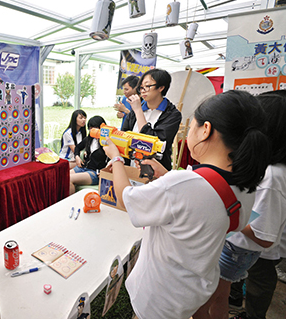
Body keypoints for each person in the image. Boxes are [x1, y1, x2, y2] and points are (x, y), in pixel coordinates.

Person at [103, 90, 270, 319]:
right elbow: (204, 205)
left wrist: (116, 158)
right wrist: (169, 178)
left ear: (206, 130)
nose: (189, 131)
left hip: (160, 298)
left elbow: (125, 197)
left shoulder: (181, 184)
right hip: (198, 289)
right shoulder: (245, 185)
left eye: (191, 126)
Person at [200, 90, 286, 319]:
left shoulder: (272, 176)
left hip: (240, 250)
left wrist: (229, 216)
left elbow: (265, 236)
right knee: (221, 296)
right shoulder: (266, 168)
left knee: (206, 300)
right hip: (237, 248)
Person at [121, 68, 182, 171]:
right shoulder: (136, 109)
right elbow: (123, 136)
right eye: (141, 87)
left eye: (148, 86)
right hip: (131, 168)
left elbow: (151, 144)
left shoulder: (172, 115)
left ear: (161, 87)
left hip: (155, 173)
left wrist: (138, 111)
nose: (143, 90)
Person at [69, 116, 108, 194]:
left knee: (68, 179)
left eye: (95, 127)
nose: (92, 130)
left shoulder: (106, 142)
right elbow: (77, 147)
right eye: (90, 128)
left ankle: (70, 203)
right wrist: (77, 156)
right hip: (83, 167)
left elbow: (112, 159)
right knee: (61, 177)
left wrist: (105, 171)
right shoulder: (89, 139)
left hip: (94, 173)